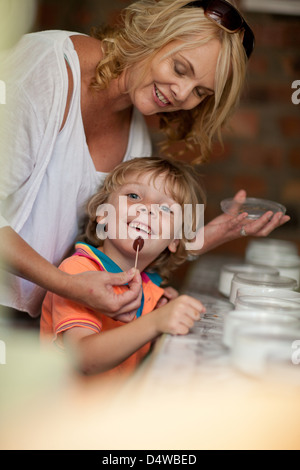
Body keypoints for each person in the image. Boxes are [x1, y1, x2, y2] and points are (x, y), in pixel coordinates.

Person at [0, 0, 289, 320]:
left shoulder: (135, 134)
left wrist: (201, 241)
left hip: (37, 322)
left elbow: (106, 242)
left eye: (200, 92)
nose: (182, 94)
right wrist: (69, 286)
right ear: (154, 33)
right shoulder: (46, 70)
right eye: (180, 68)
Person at [40, 156, 206, 376]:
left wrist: (161, 319)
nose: (148, 209)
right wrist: (155, 323)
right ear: (102, 213)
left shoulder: (151, 289)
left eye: (166, 209)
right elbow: (83, 359)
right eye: (134, 196)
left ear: (175, 240)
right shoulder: (79, 272)